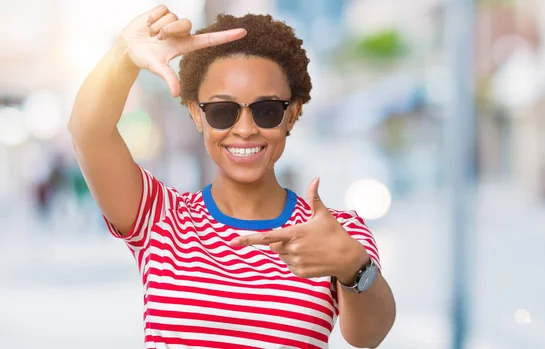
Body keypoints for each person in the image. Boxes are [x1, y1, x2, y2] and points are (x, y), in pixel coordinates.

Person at [68, 5, 396, 348]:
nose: (244, 129)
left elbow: (368, 337)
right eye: (222, 111)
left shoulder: (335, 231)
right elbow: (88, 133)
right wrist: (124, 55)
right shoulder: (161, 218)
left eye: (267, 110)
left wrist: (353, 266)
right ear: (197, 114)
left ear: (293, 114)